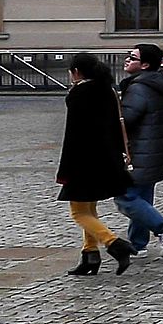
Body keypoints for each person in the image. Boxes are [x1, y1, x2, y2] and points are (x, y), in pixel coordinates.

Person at [56, 53, 137, 276]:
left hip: (83, 160)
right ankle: (90, 255)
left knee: (78, 212)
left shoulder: (79, 93)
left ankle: (115, 244)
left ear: (76, 72)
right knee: (89, 208)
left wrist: (66, 169)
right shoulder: (107, 89)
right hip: (106, 158)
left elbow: (73, 134)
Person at [116, 43, 163, 256]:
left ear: (144, 65)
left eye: (132, 57)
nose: (127, 60)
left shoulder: (138, 88)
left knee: (125, 197)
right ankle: (138, 244)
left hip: (141, 151)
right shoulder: (155, 83)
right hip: (154, 150)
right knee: (142, 196)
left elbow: (125, 121)